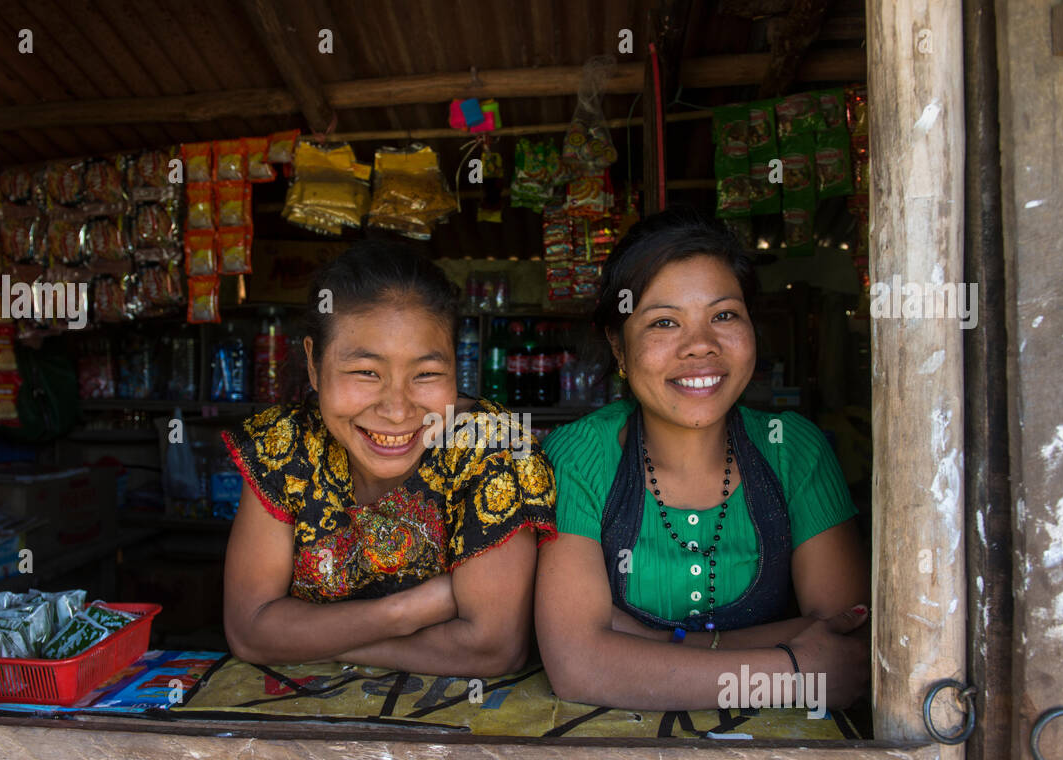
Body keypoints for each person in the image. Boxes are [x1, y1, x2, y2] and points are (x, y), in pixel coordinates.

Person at [535, 207, 870, 712]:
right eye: (664, 322)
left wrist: (649, 642)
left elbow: (848, 646)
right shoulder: (578, 458)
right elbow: (579, 666)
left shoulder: (794, 450)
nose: (700, 346)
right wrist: (795, 671)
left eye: (724, 315)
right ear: (618, 348)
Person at [222, 240, 557, 677]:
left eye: (427, 374)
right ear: (312, 362)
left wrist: (310, 639)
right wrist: (405, 612)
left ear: (458, 368)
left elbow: (490, 649)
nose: (397, 410)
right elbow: (249, 632)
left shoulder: (492, 451)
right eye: (365, 372)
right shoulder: (284, 447)